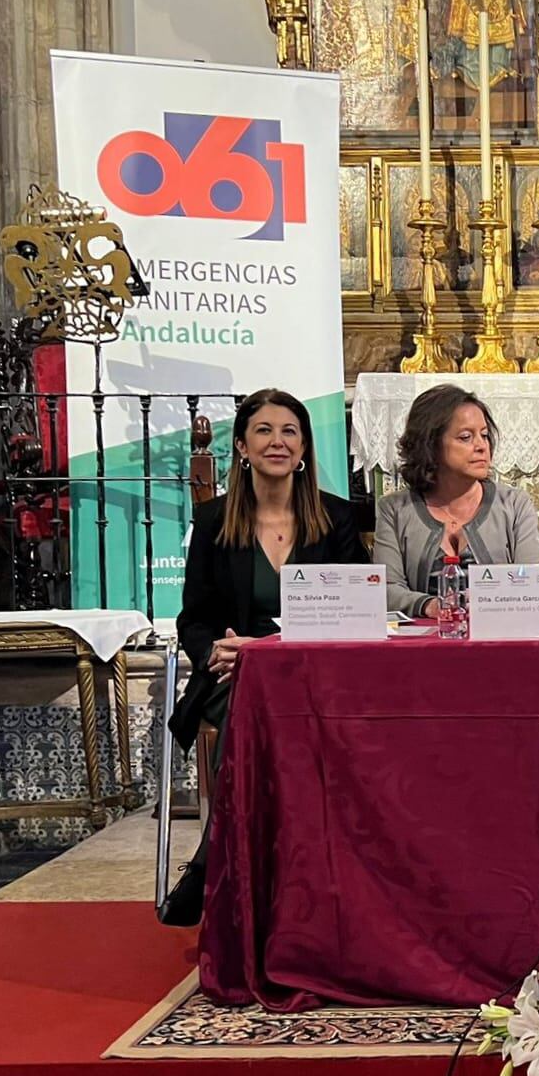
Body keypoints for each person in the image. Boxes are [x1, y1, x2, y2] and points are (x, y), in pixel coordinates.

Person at [164, 387, 366, 924]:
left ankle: (214, 862)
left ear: (303, 450)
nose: (278, 441)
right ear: (241, 447)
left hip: (321, 675)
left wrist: (275, 648)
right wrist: (220, 653)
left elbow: (358, 609)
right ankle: (242, 872)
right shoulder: (212, 522)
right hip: (234, 677)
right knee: (251, 703)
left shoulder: (337, 519)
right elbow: (194, 618)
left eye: (289, 432)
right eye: (264, 430)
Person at [372, 384, 539, 617]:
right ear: (430, 444)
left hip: (499, 641)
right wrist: (430, 606)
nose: (481, 446)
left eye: (484, 435)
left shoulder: (515, 505)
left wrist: (490, 601)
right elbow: (384, 589)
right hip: (424, 647)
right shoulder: (394, 509)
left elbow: (534, 582)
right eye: (466, 437)